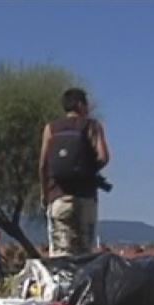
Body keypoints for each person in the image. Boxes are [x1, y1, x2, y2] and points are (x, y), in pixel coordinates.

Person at [39, 87, 110, 257]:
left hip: (58, 197)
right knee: (85, 253)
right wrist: (87, 170)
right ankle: (83, 283)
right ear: (80, 105)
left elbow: (43, 164)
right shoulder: (92, 126)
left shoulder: (51, 128)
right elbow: (104, 157)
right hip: (85, 197)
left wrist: (45, 193)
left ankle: (62, 283)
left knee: (61, 254)